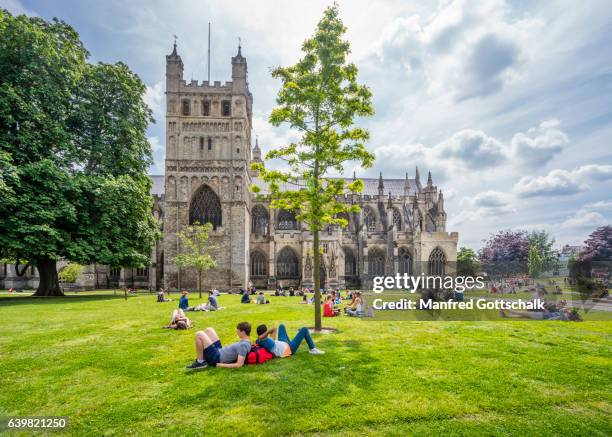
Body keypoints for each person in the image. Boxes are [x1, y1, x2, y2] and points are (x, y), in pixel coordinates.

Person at [186, 322, 253, 369]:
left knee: (199, 334)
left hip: (216, 358)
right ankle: (203, 358)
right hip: (219, 351)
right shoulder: (247, 341)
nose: (237, 332)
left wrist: (221, 365)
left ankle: (200, 362)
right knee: (209, 330)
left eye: (238, 331)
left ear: (243, 332)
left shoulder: (243, 346)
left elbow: (239, 365)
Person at [256, 324, 324, 356]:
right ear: (265, 333)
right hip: (289, 349)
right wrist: (266, 333)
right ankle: (312, 349)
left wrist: (261, 336)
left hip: (283, 343)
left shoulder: (258, 340)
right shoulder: (269, 342)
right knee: (304, 329)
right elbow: (274, 328)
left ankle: (295, 341)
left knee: (281, 326)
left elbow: (271, 332)